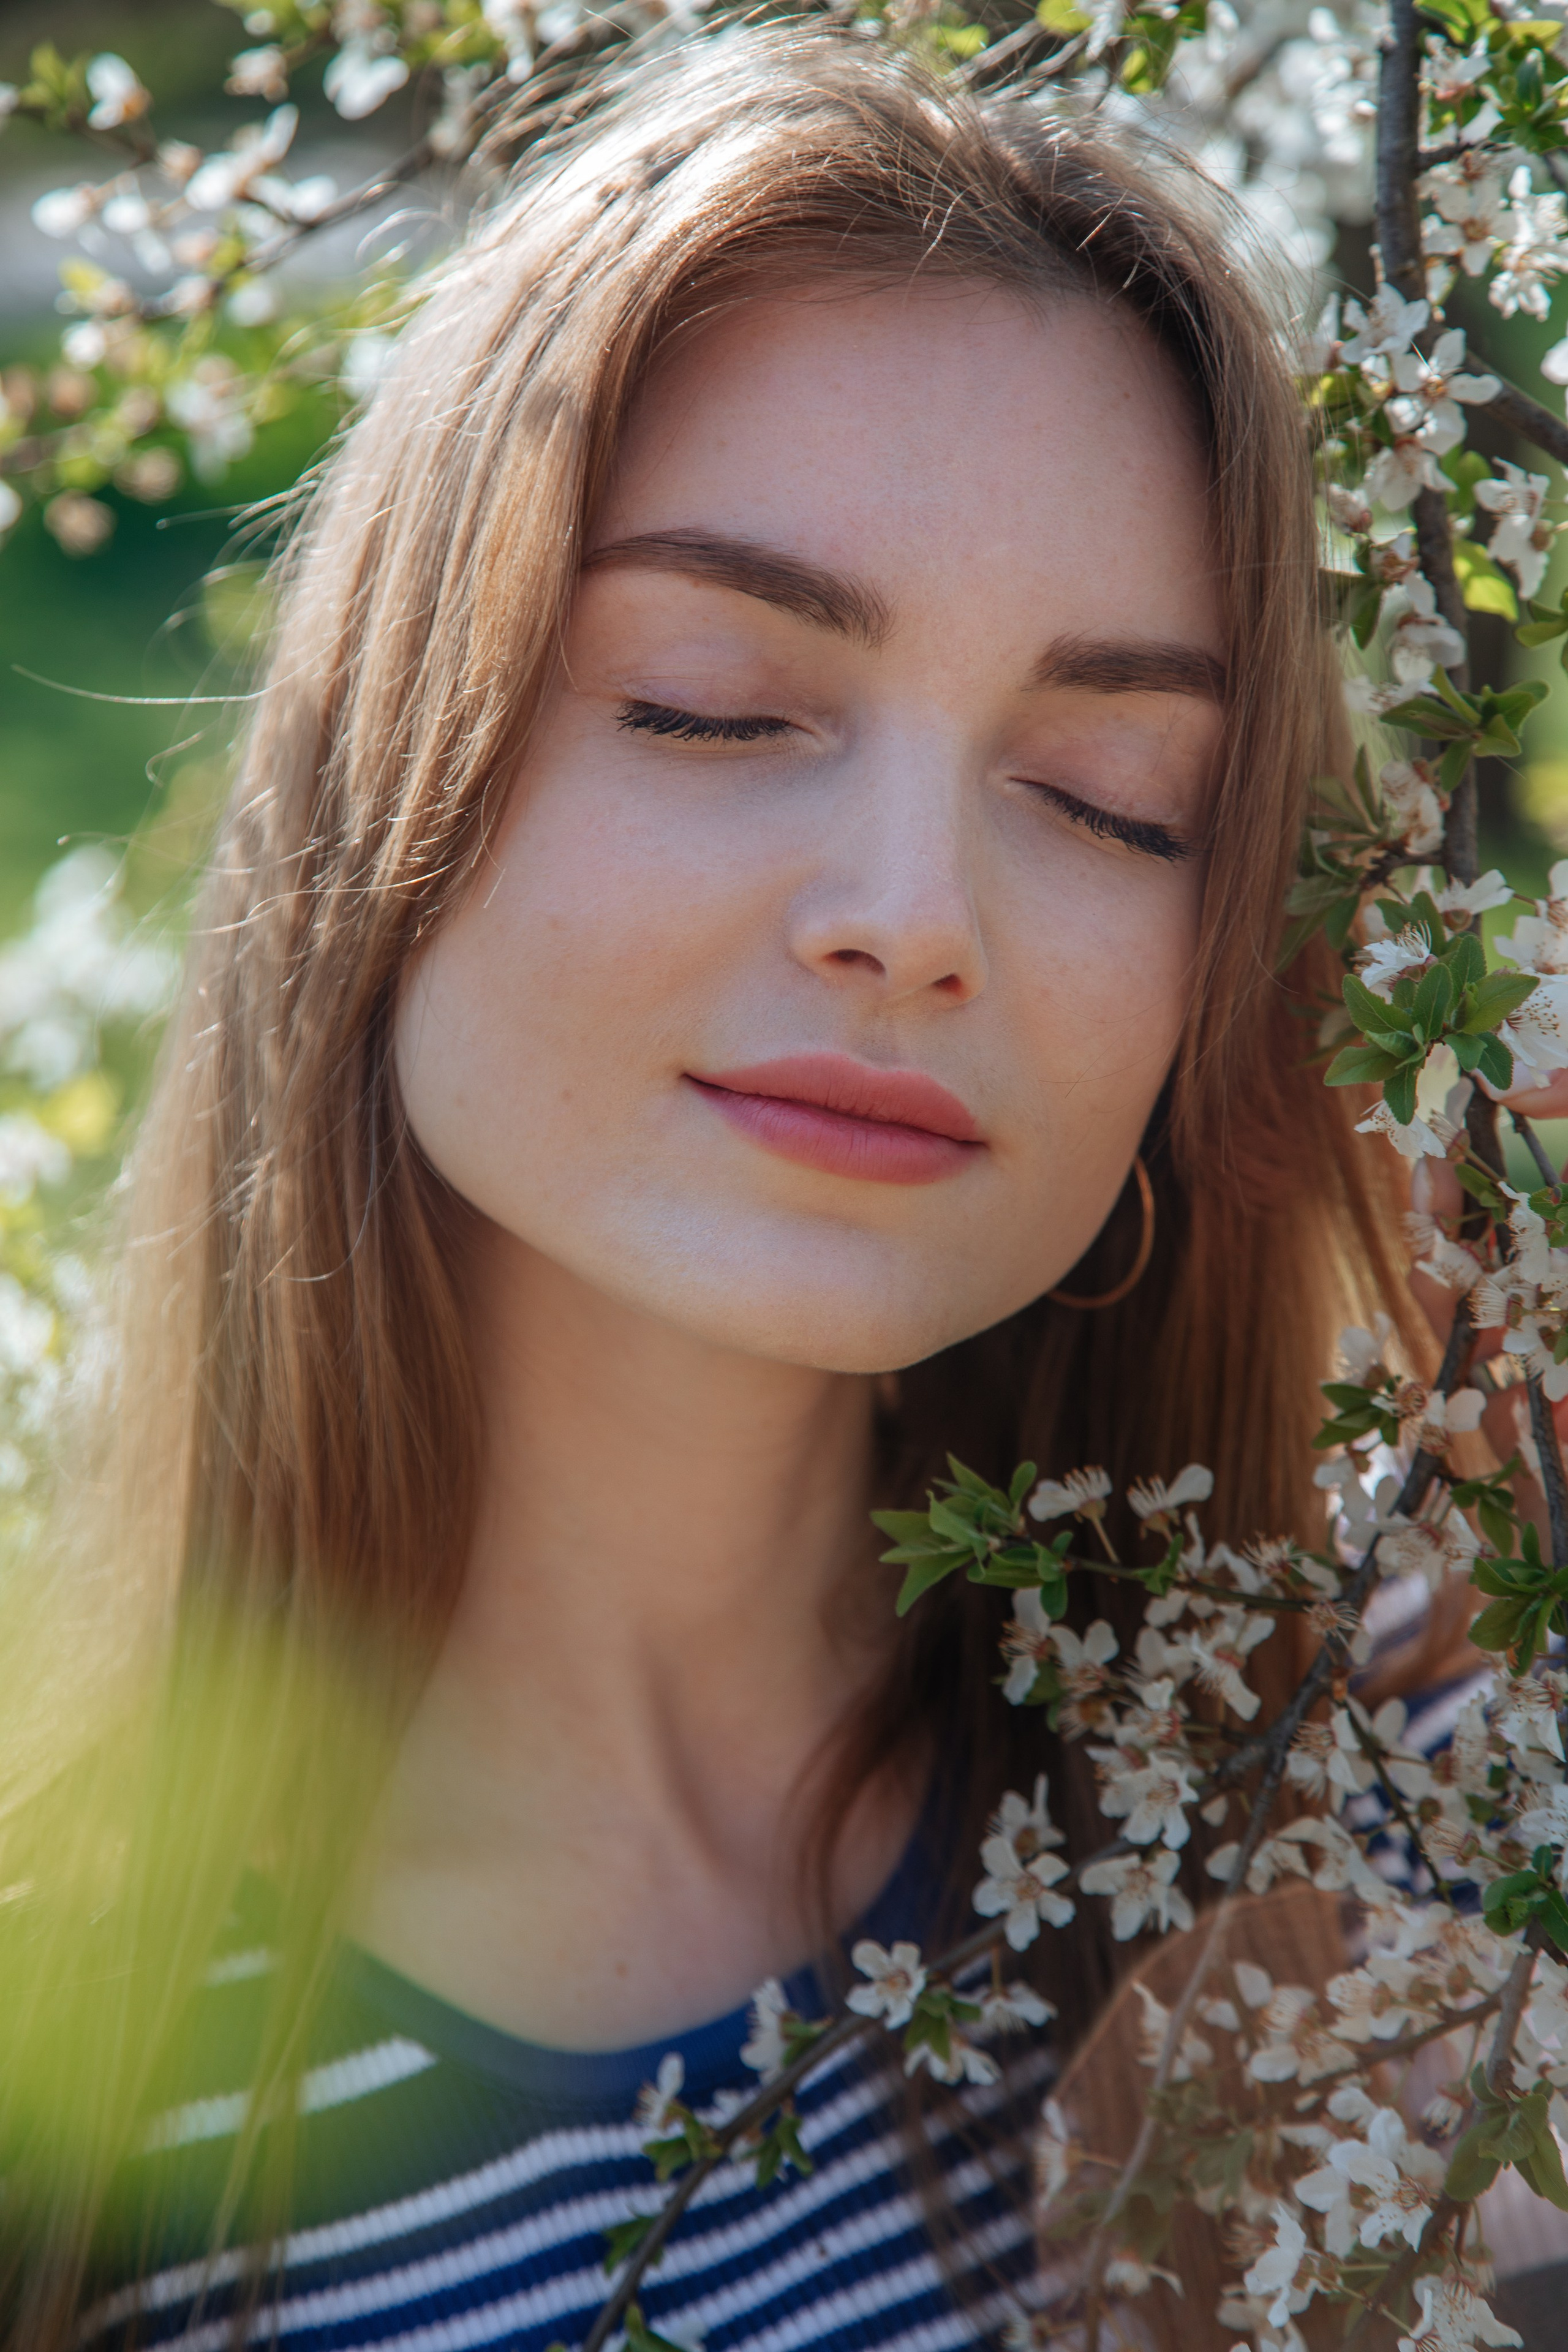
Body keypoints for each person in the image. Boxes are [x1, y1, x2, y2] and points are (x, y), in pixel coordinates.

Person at [0, 24, 1421, 2351]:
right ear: (381, 783)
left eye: (1107, 794)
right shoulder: (81, 2133)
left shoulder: (1407, 1784)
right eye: (710, 702)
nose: (911, 909)